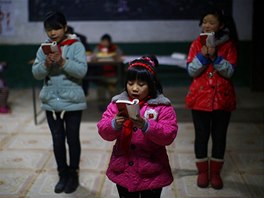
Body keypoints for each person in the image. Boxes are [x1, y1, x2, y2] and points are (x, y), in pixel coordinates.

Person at [97, 56, 178, 198]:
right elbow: (104, 131)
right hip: (123, 168)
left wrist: (147, 125)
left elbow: (169, 135)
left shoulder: (161, 106)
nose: (134, 88)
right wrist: (114, 123)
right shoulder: (117, 103)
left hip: (151, 169)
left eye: (141, 84)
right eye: (130, 83)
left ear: (151, 84)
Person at [32, 11, 87, 194]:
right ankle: (62, 174)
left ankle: (73, 175)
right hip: (51, 100)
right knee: (57, 140)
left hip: (72, 100)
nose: (53, 33)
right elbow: (36, 74)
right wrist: (46, 65)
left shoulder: (76, 45)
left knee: (72, 139)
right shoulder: (44, 48)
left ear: (65, 27)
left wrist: (63, 61)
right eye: (49, 30)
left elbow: (81, 72)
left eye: (56, 28)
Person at [185, 7, 238, 189]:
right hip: (199, 100)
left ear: (221, 25)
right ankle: (202, 172)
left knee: (219, 136)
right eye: (204, 22)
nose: (206, 25)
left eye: (211, 22)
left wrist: (215, 56)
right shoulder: (195, 45)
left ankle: (215, 173)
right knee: (201, 136)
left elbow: (230, 72)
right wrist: (203, 55)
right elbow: (191, 70)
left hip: (222, 100)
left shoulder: (229, 45)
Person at [91, 33, 123, 111]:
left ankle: (114, 106)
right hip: (101, 74)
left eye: (106, 41)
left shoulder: (114, 48)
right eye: (103, 41)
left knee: (113, 91)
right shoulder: (98, 48)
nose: (104, 43)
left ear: (109, 42)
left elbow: (120, 58)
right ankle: (101, 106)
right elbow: (93, 58)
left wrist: (115, 57)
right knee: (101, 89)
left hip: (112, 74)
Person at [67, 25, 91, 96]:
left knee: (86, 72)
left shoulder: (79, 38)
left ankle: (84, 92)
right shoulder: (59, 40)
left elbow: (88, 50)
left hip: (80, 63)